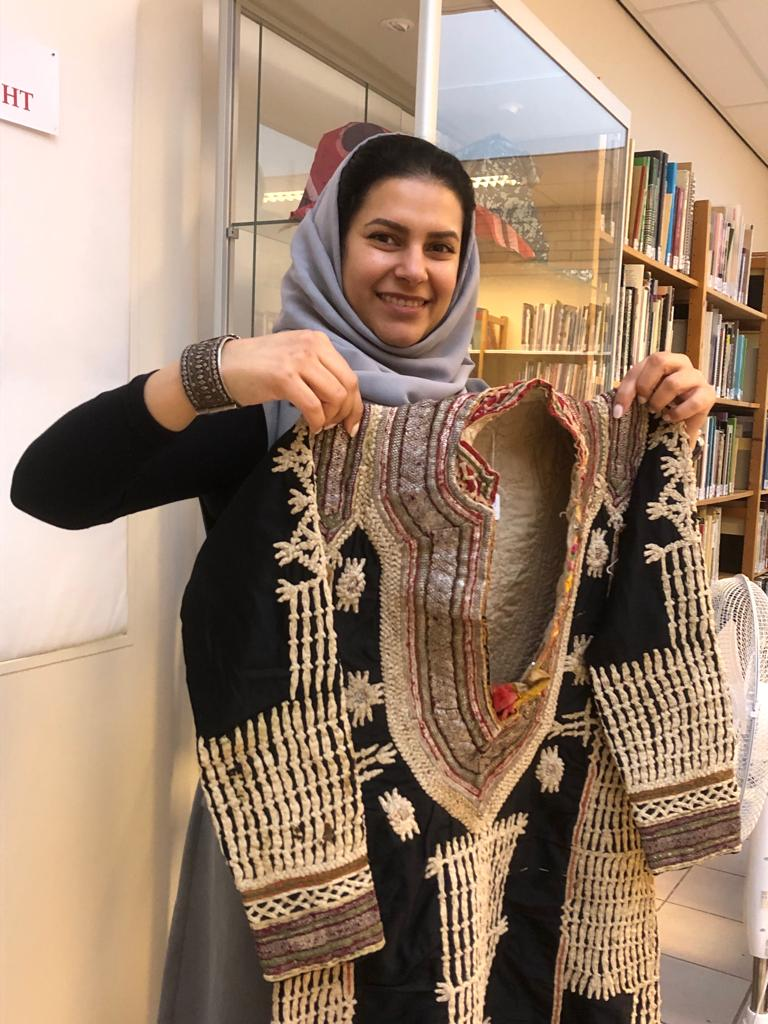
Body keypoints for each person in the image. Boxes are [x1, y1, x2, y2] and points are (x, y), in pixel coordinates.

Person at [11, 132, 716, 1023]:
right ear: (332, 240)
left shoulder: (488, 417)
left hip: (449, 850)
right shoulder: (274, 404)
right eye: (384, 237)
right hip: (295, 840)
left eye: (440, 247)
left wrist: (660, 431)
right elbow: (49, 488)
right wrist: (210, 372)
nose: (412, 270)